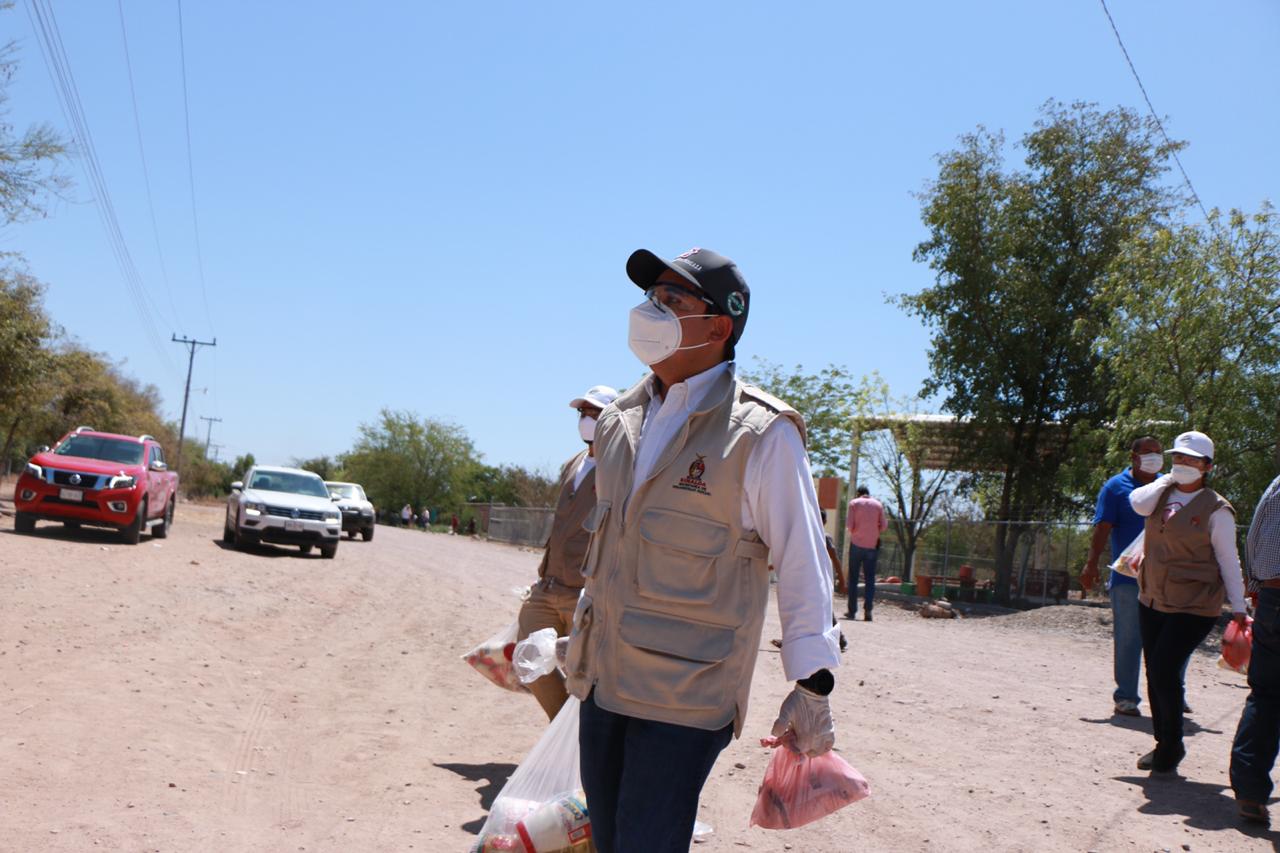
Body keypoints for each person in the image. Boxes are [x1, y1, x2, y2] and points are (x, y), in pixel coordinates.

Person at [564, 247, 841, 853]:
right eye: (651, 296)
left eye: (672, 299)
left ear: (719, 327)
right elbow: (614, 550)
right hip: (602, 685)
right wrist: (579, 637)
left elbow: (802, 558)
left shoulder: (761, 434)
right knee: (608, 842)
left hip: (684, 697)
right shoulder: (617, 422)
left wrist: (813, 685)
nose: (651, 310)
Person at [1129, 430, 1248, 775]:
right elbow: (1137, 503)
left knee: (1165, 669)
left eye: (1192, 460)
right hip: (1152, 596)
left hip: (1194, 604)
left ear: (1207, 466)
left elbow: (1228, 559)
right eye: (1178, 457)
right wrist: (1167, 478)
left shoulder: (1217, 509)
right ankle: (1164, 743)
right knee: (1155, 671)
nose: (1182, 463)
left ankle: (1172, 745)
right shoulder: (1160, 493)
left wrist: (1239, 607)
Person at [517, 384, 619, 721]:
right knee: (528, 656)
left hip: (585, 592)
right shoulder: (572, 464)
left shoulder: (621, 467)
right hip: (548, 588)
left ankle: (579, 741)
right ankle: (562, 730)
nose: (587, 420)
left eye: (595, 414)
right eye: (583, 413)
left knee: (586, 674)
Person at [1080, 435, 1165, 717]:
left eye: (1158, 451)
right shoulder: (1116, 487)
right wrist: (1091, 565)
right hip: (1128, 578)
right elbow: (1102, 529)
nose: (1153, 456)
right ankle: (1126, 697)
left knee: (1168, 638)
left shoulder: (1168, 487)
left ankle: (1169, 694)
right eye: (1147, 451)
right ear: (1134, 457)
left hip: (1165, 578)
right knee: (1129, 638)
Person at [1229, 472, 1280, 825]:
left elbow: (1255, 536)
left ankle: (1249, 791)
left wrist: (1257, 587)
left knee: (1265, 695)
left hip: (1274, 597)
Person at [845, 485, 887, 621]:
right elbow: (884, 526)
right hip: (872, 546)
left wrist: (857, 531)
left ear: (858, 493)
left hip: (856, 545)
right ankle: (868, 611)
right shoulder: (878, 505)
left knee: (853, 578)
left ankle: (852, 611)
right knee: (870, 579)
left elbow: (849, 526)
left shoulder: (854, 503)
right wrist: (874, 531)